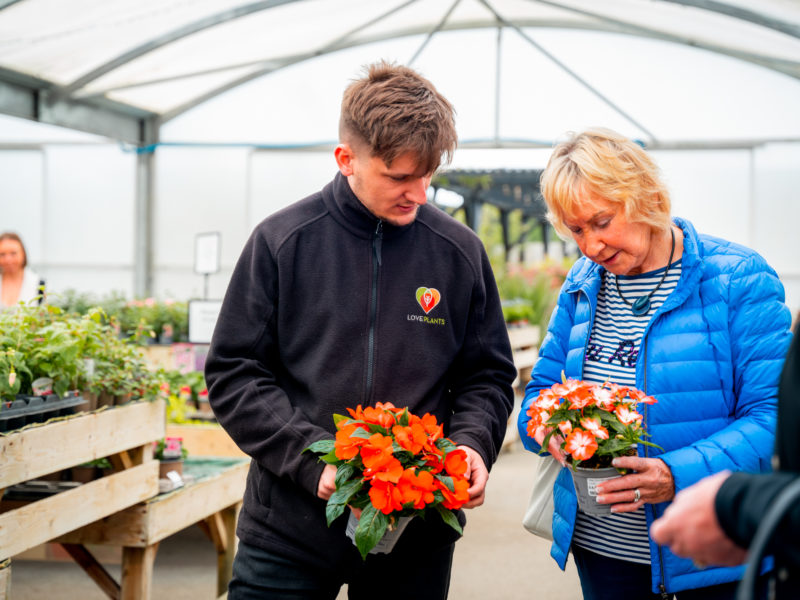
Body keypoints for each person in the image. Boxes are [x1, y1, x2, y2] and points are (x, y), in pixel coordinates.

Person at [205, 61, 516, 600]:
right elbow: (235, 374)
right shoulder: (282, 242)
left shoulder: (458, 252)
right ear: (346, 159)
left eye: (427, 175)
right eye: (399, 177)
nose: (419, 194)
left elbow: (486, 376)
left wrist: (471, 444)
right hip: (289, 531)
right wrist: (312, 459)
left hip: (415, 531)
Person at [516, 127, 792, 599]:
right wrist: (549, 431)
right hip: (604, 556)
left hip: (710, 551)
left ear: (646, 197)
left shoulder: (737, 279)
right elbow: (539, 394)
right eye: (576, 230)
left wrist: (674, 474)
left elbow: (774, 418)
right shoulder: (582, 284)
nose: (590, 246)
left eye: (601, 222)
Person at [651, 322, 799, 598]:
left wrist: (732, 505)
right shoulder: (580, 293)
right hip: (604, 548)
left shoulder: (746, 294)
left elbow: (769, 415)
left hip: (714, 550)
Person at [0, 232, 44, 308]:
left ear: (23, 253)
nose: (8, 259)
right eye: (2, 254)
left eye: (13, 253)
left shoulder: (39, 284)